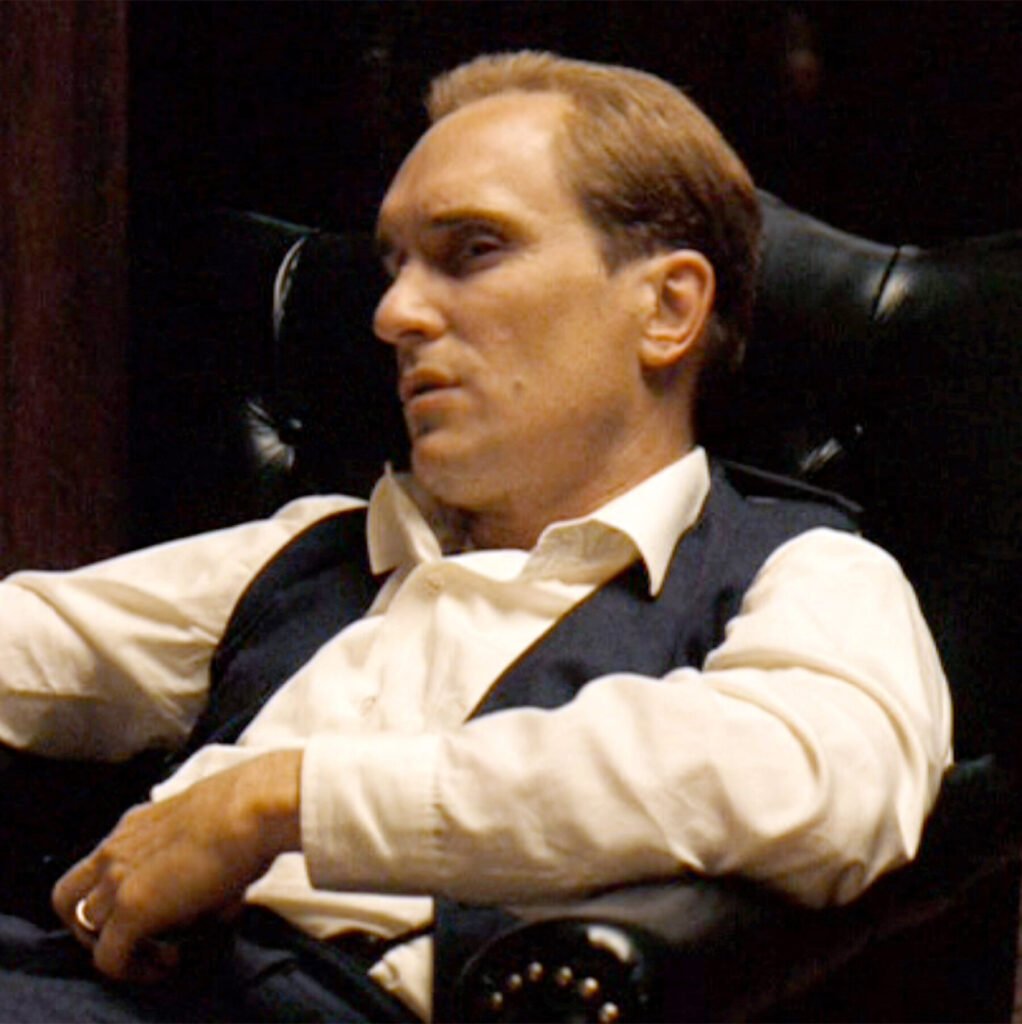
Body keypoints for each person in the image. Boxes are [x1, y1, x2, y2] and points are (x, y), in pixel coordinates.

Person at [0, 51, 950, 1022]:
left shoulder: (799, 569)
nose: (393, 314)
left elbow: (816, 777)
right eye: (394, 267)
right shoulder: (315, 549)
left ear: (666, 307)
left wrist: (285, 800)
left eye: (473, 251)